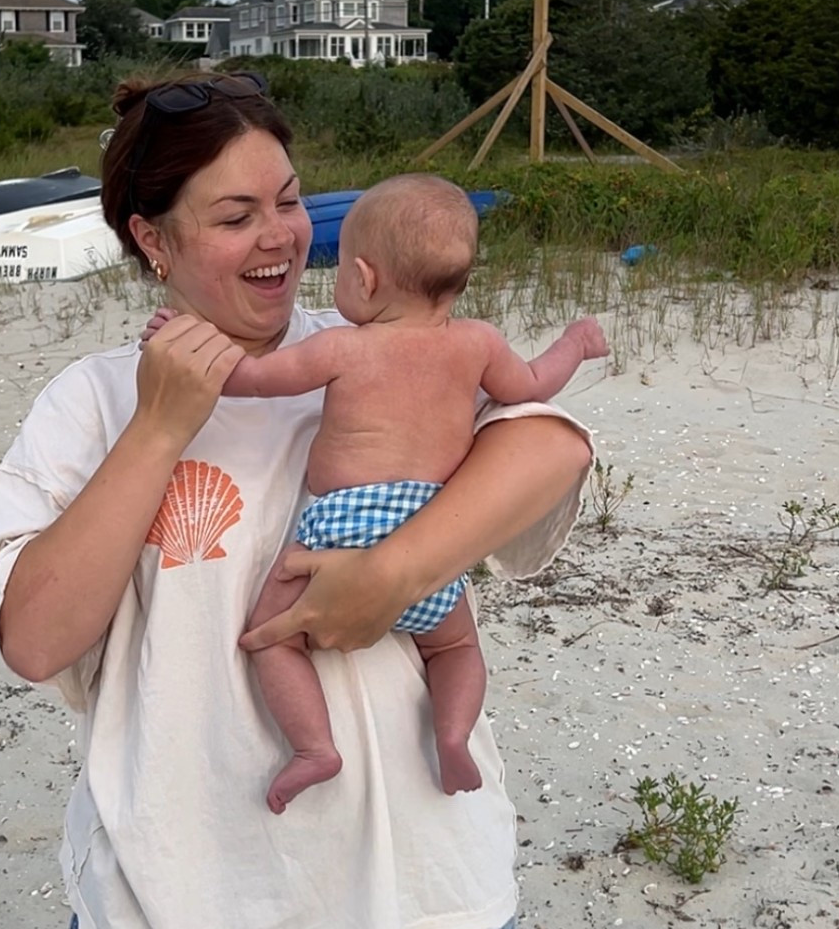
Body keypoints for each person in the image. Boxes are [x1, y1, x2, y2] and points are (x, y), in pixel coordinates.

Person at [0, 71, 593, 929]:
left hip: (418, 900)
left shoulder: (369, 350)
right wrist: (161, 428)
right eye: (232, 212)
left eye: (292, 201)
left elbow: (551, 445)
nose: (277, 237)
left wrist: (392, 579)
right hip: (187, 916)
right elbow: (36, 634)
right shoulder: (94, 398)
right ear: (150, 237)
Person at [145, 174, 607, 813]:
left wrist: (184, 340)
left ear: (363, 279)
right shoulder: (478, 345)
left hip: (343, 523)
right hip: (433, 531)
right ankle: (452, 733)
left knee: (272, 639)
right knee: (456, 647)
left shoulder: (342, 347)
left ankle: (314, 747)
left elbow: (249, 379)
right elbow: (532, 386)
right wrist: (576, 344)